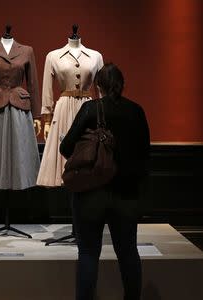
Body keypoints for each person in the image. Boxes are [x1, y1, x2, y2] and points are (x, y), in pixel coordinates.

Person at [60, 63, 150, 300]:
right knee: (128, 253)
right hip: (126, 195)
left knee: (88, 254)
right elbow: (144, 155)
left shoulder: (91, 109)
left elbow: (66, 146)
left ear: (97, 86)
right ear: (122, 85)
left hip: (91, 193)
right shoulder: (136, 111)